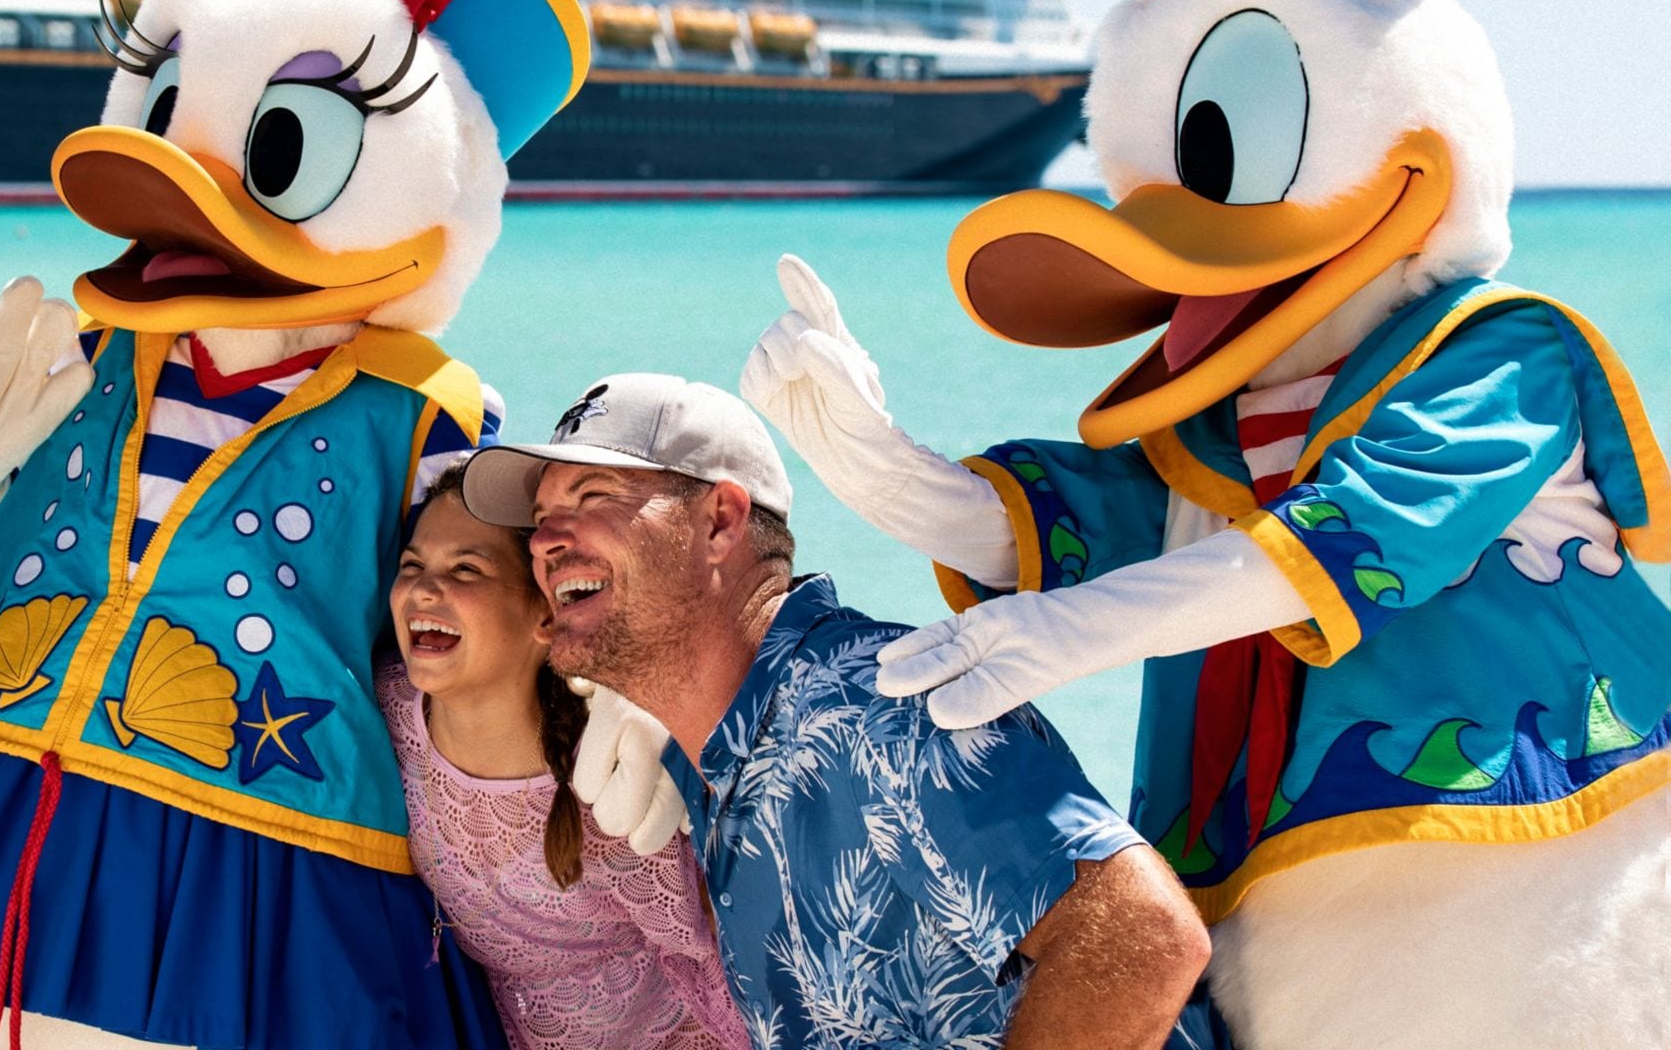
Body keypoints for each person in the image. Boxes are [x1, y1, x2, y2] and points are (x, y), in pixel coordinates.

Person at [461, 374, 1217, 1050]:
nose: (547, 542)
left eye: (593, 499)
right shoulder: (719, 774)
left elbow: (1144, 938)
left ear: (721, 522)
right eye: (540, 518)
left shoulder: (875, 704)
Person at [382, 466, 749, 1050]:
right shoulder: (387, 713)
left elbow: (706, 966)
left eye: (466, 570)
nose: (425, 590)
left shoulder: (613, 783)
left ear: (547, 617)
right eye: (411, 566)